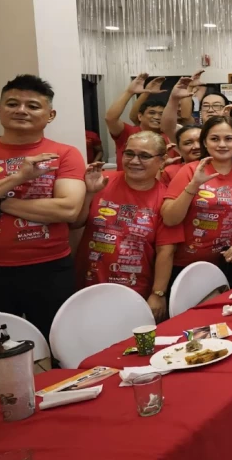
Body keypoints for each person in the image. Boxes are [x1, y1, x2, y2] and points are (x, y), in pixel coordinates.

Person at [0, 75, 86, 339]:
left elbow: (67, 210)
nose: (21, 110)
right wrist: (17, 178)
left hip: (48, 268)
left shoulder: (64, 154)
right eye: (12, 104)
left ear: (50, 114)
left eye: (32, 106)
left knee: (56, 343)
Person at [72, 131, 178, 321]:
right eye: (129, 154)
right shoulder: (102, 180)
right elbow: (76, 223)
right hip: (88, 283)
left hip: (135, 289)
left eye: (144, 156)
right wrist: (88, 194)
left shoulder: (167, 199)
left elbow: (166, 251)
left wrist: (158, 293)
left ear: (161, 161)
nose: (134, 161)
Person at [162, 116, 232, 285]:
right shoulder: (190, 171)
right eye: (215, 139)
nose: (222, 145)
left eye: (229, 139)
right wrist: (194, 185)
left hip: (224, 262)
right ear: (205, 143)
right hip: (183, 265)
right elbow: (169, 219)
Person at [104, 73, 168, 169]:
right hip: (126, 181)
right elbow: (110, 118)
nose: (157, 117)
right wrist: (129, 92)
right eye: (152, 113)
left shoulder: (170, 136)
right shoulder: (128, 132)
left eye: (161, 114)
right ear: (140, 116)